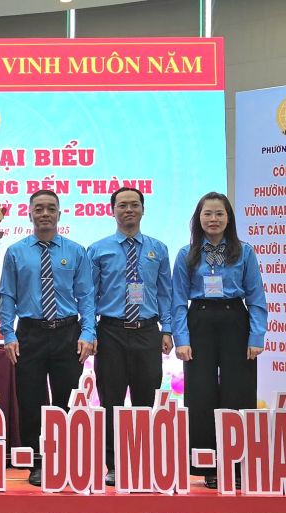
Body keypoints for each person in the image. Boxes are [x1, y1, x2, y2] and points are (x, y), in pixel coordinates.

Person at [0, 189, 95, 487]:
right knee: (31, 401)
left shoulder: (76, 251)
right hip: (30, 333)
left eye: (50, 208)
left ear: (59, 214)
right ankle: (37, 463)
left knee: (67, 400)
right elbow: (7, 296)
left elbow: (86, 296)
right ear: (29, 214)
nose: (44, 214)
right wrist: (8, 333)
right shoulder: (16, 252)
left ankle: (66, 460)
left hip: (67, 332)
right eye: (38, 208)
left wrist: (88, 332)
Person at [172, 192, 267, 490]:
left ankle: (237, 465)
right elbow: (177, 301)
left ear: (229, 219)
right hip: (198, 320)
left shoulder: (245, 253)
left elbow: (256, 297)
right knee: (200, 394)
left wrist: (256, 335)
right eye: (207, 214)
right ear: (198, 220)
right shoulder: (187, 254)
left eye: (219, 214)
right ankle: (207, 464)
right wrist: (181, 339)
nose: (213, 219)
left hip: (234, 321)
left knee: (238, 392)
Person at [87, 187, 173, 486]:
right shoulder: (98, 250)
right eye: (122, 205)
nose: (128, 210)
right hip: (110, 332)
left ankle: (143, 462)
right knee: (110, 401)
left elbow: (165, 293)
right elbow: (88, 296)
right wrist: (90, 330)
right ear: (113, 210)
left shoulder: (158, 249)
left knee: (145, 400)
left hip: (148, 332)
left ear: (143, 209)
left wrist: (169, 329)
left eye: (134, 205)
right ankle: (113, 465)